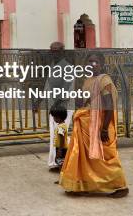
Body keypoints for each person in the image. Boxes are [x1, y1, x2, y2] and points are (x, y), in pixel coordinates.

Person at [59, 52, 129, 198]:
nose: (92, 65)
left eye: (95, 62)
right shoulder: (87, 80)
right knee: (85, 157)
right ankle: (82, 184)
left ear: (102, 64)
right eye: (89, 62)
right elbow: (82, 102)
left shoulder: (104, 80)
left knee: (105, 156)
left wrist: (104, 128)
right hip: (85, 123)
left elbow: (109, 105)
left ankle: (120, 186)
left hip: (100, 125)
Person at [44, 41, 74, 170]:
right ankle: (56, 161)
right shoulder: (53, 65)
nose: (54, 53)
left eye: (57, 50)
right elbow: (48, 84)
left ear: (63, 51)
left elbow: (65, 89)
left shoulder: (67, 67)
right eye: (52, 50)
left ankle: (62, 162)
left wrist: (55, 106)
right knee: (55, 135)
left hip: (63, 107)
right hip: (54, 106)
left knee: (61, 134)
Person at [50, 102, 69, 168]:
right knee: (60, 159)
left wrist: (60, 150)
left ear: (58, 117)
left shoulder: (61, 127)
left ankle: (62, 170)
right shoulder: (62, 125)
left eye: (54, 117)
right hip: (61, 146)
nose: (54, 119)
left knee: (60, 160)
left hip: (62, 147)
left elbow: (61, 137)